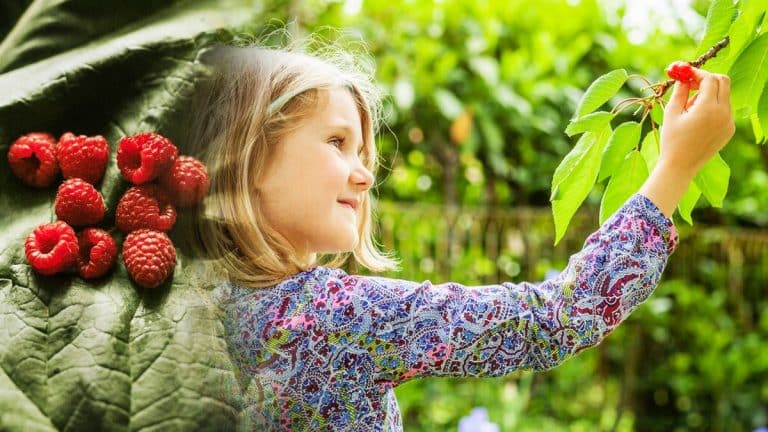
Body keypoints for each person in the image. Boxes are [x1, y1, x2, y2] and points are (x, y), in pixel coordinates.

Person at [186, 41, 735, 431]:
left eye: (364, 152)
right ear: (248, 159)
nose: (364, 173)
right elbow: (561, 315)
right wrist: (675, 169)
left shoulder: (176, 309)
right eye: (336, 141)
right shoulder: (330, 316)